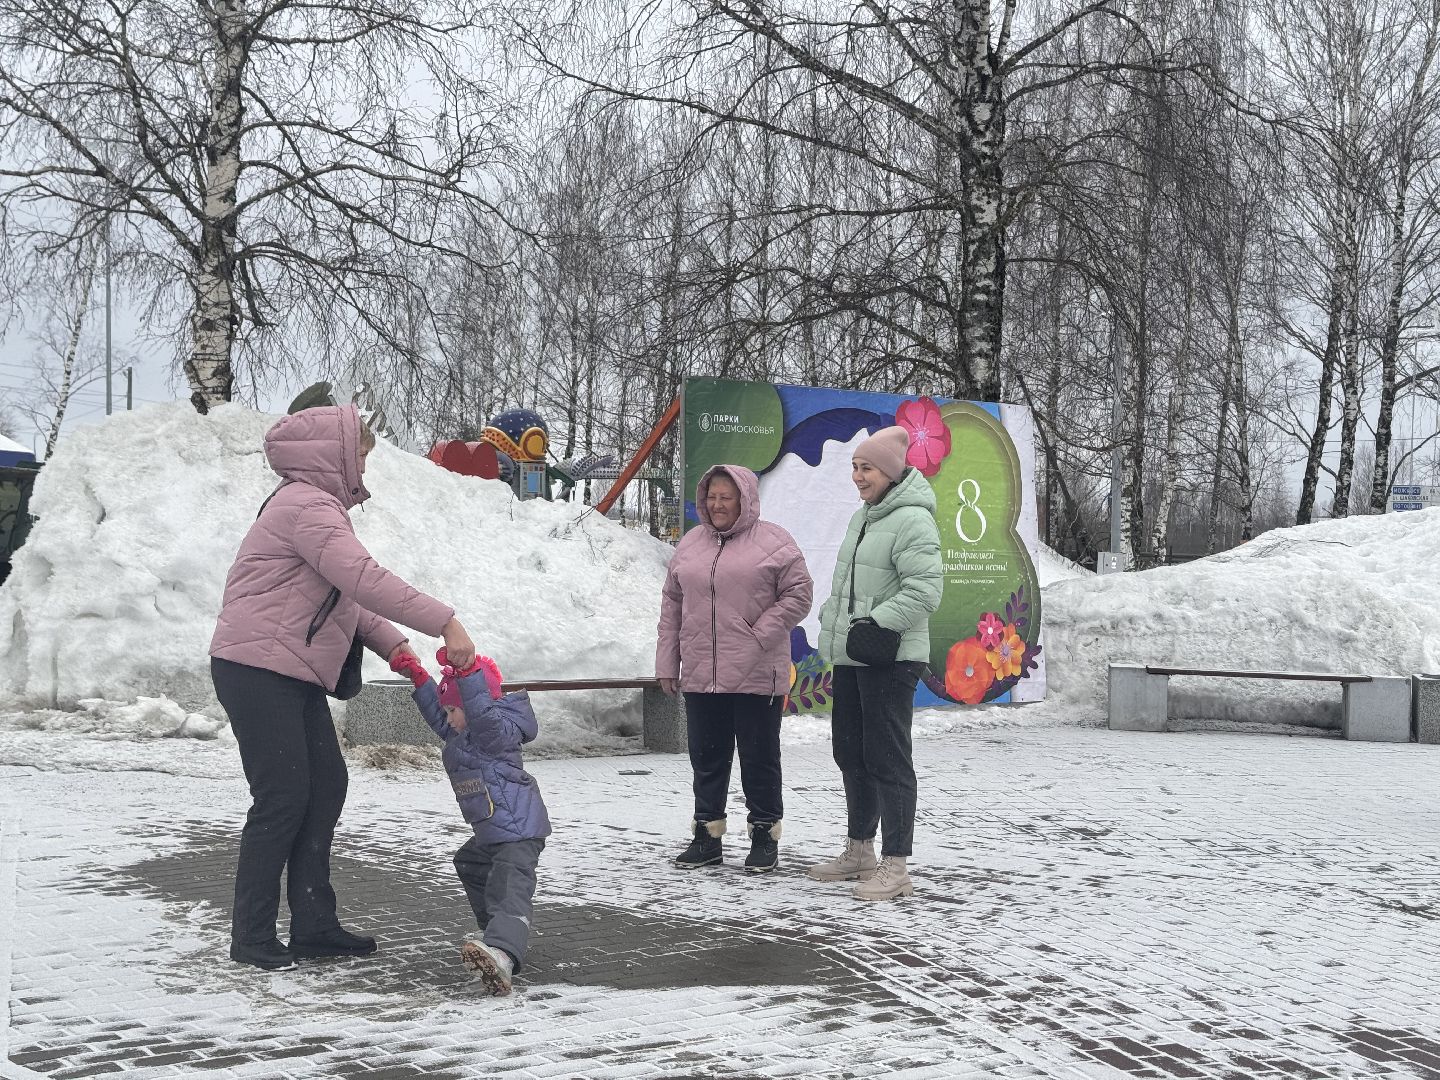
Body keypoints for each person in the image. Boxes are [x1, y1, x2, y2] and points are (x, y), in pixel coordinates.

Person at [210, 404, 476, 971]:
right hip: (257, 670)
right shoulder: (306, 507)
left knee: (325, 787)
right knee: (282, 797)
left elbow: (342, 597)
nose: (365, 468)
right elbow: (362, 578)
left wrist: (395, 646)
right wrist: (445, 623)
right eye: (363, 456)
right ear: (336, 455)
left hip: (285, 670)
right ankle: (252, 935)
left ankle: (313, 925)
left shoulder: (312, 506)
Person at [656, 464, 813, 872]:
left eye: (727, 496)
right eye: (712, 496)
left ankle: (764, 836)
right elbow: (672, 607)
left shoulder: (776, 541)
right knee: (706, 757)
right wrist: (667, 661)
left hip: (756, 672)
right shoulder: (691, 544)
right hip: (701, 674)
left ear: (745, 498)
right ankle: (707, 837)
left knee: (759, 758)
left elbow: (799, 594)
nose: (718, 503)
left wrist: (759, 634)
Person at [810, 425, 942, 901]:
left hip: (890, 658)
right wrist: (835, 617)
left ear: (889, 471)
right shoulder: (865, 516)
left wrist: (875, 623)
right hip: (854, 655)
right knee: (852, 753)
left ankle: (895, 864)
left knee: (888, 758)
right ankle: (860, 849)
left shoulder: (912, 520)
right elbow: (850, 584)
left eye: (865, 468)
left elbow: (925, 591)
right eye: (855, 467)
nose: (857, 476)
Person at [390, 648, 550, 997]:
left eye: (452, 711)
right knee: (471, 863)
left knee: (510, 886)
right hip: (495, 830)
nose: (447, 719)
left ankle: (504, 952)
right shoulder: (461, 735)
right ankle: (498, 934)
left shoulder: (493, 732)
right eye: (446, 711)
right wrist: (419, 678)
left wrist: (468, 672)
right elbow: (440, 713)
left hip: (518, 829)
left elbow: (478, 708)